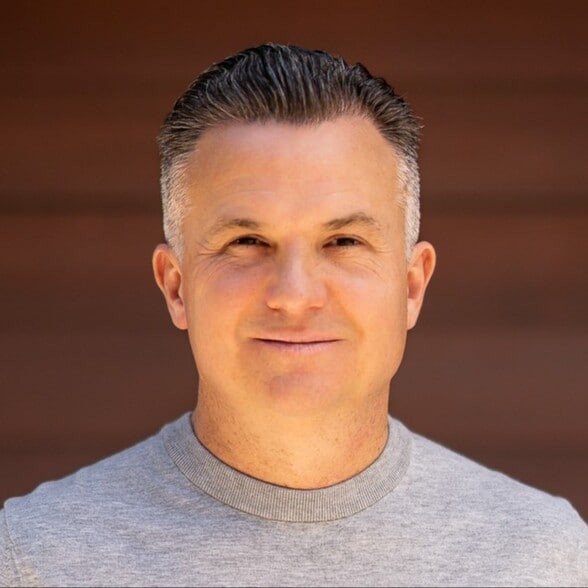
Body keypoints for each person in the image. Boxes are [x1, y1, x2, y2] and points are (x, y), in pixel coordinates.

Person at [1, 43, 586, 587]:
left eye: (344, 242)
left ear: (412, 286)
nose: (295, 294)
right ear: (176, 287)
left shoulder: (545, 561)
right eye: (247, 242)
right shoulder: (32, 559)